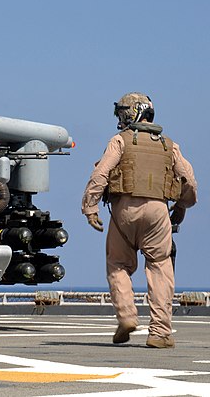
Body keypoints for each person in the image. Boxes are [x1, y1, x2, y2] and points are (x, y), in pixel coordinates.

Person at [82, 92, 197, 349]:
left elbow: (100, 173)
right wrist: (181, 206)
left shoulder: (119, 141)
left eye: (123, 113)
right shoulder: (169, 145)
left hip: (124, 212)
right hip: (158, 213)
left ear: (133, 112)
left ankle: (126, 317)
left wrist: (90, 207)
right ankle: (159, 332)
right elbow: (189, 180)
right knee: (160, 268)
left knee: (118, 264)